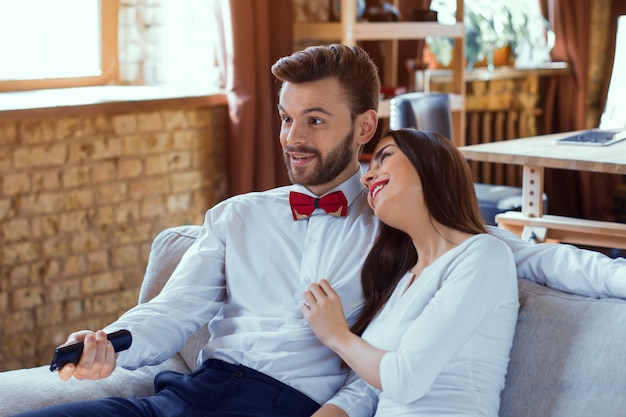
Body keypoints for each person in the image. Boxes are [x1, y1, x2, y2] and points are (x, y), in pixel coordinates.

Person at [14, 44, 626, 417]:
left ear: (364, 127)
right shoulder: (237, 216)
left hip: (284, 405)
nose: (291, 137)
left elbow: (531, 257)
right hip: (184, 396)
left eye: (313, 119)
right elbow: (172, 313)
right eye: (285, 118)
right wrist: (110, 343)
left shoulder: (401, 225)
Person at [301, 129, 519, 416]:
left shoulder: (484, 255)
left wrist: (336, 335)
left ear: (430, 164)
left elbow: (406, 380)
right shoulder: (404, 279)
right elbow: (368, 389)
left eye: (384, 158)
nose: (366, 178)